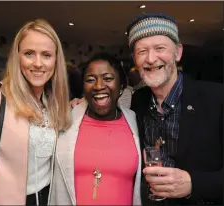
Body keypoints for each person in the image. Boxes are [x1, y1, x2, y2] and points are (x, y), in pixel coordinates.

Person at [127, 13, 223, 205]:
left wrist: (194, 184)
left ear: (178, 52)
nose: (151, 59)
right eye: (142, 51)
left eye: (160, 48)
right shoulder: (138, 100)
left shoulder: (217, 98)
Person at [0, 19, 71, 205]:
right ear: (17, 56)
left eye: (46, 55)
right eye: (29, 53)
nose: (38, 63)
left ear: (56, 60)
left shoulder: (55, 105)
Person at [50, 53, 142, 205]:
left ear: (121, 86)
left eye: (108, 78)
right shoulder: (65, 119)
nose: (99, 86)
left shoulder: (135, 121)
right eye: (90, 80)